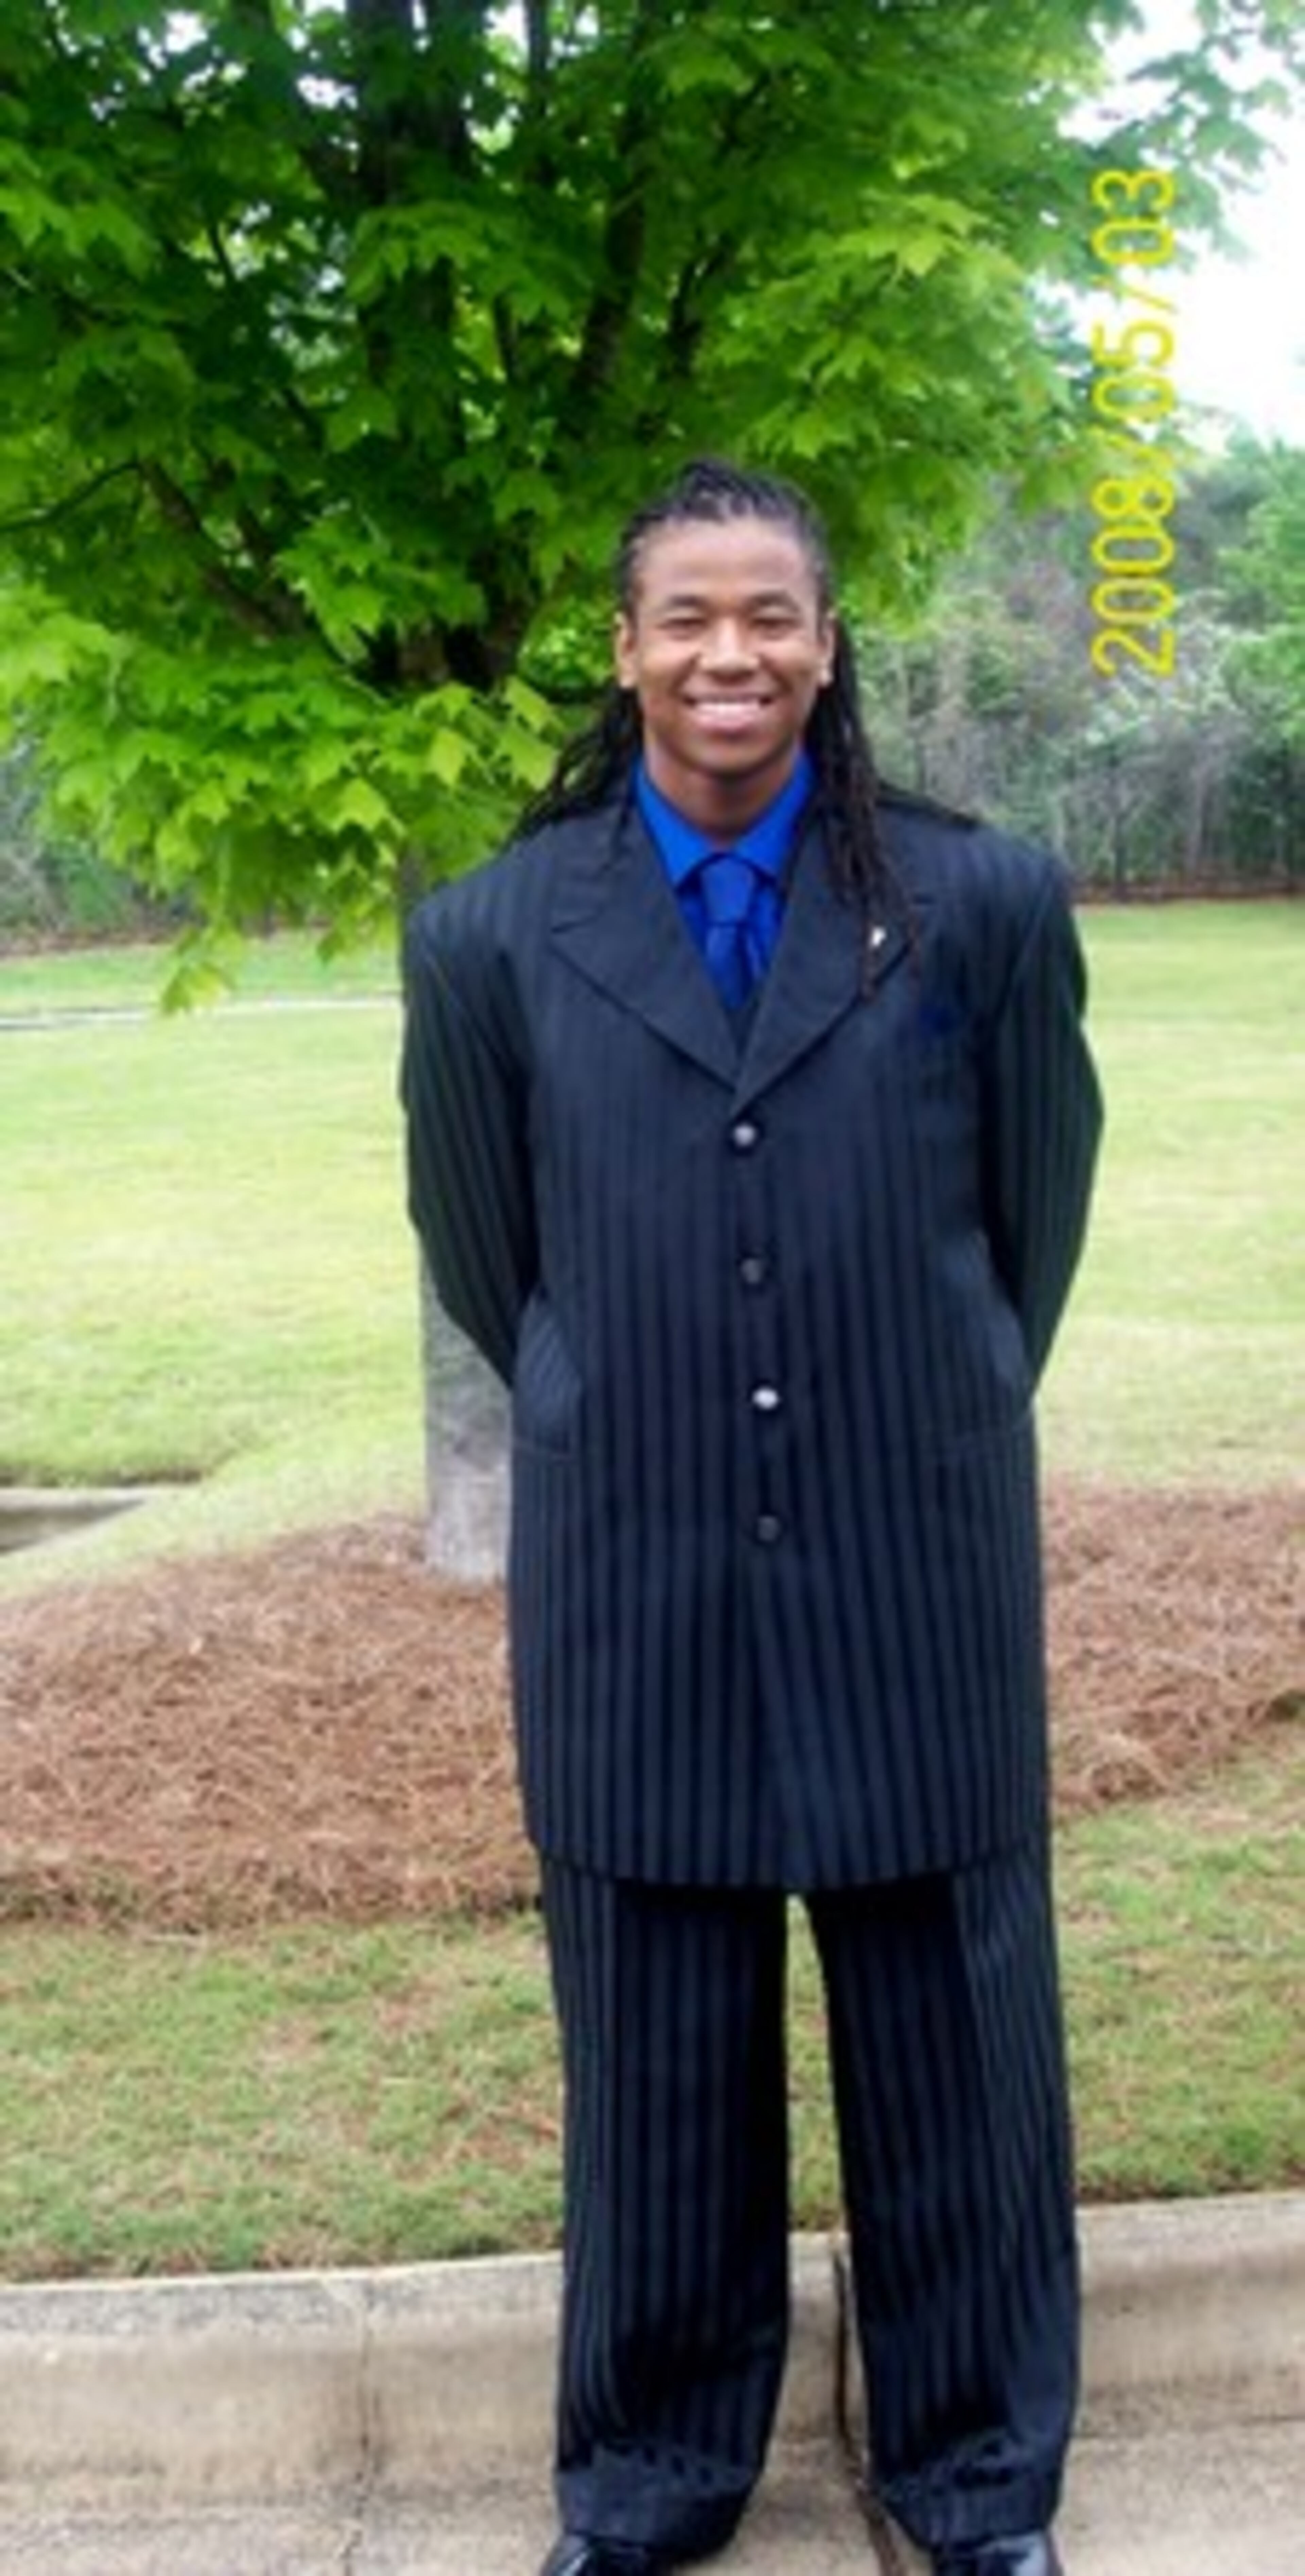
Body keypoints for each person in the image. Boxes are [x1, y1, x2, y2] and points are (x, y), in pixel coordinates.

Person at [401, 458, 1102, 2576]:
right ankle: (650, 2481)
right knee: (661, 2056)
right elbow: (486, 1248)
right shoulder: (495, 936)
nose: (734, 656)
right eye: (689, 618)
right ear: (624, 653)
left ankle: (977, 2482)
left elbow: (1030, 1218)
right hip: (638, 1584)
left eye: (774, 617)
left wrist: (932, 1400)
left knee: (957, 2043)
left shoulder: (980, 906)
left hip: (916, 1560)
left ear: (827, 644)